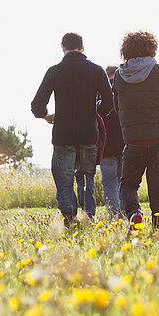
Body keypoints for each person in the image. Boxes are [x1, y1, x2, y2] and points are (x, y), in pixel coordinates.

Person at [31, 32, 113, 230]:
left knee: (64, 179)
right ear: (82, 48)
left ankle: (70, 220)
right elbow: (109, 102)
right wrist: (95, 112)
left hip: (63, 135)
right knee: (86, 177)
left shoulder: (54, 71)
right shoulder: (96, 70)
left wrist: (46, 116)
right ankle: (88, 218)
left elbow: (36, 106)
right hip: (88, 134)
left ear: (62, 47)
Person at [112, 30, 159, 236]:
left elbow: (116, 108)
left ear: (126, 51)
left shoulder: (119, 75)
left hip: (134, 142)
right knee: (158, 192)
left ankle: (134, 213)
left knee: (128, 185)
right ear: (152, 48)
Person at [99, 65, 124, 218]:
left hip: (106, 146)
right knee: (124, 184)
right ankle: (127, 212)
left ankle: (114, 215)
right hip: (124, 144)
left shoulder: (100, 94)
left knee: (109, 184)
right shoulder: (124, 93)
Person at [73, 112, 106, 220]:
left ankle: (75, 213)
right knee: (88, 177)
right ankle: (89, 213)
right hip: (90, 140)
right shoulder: (92, 109)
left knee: (80, 177)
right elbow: (102, 133)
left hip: (73, 138)